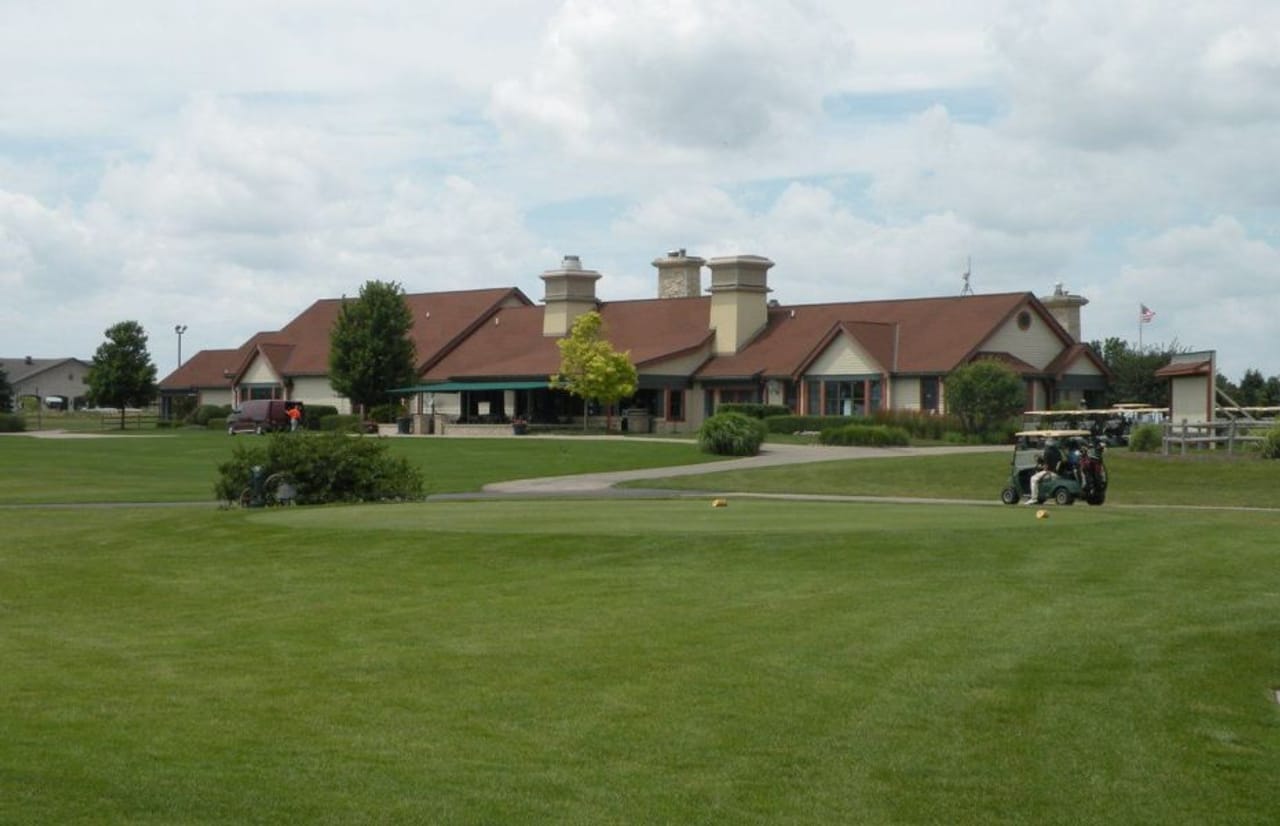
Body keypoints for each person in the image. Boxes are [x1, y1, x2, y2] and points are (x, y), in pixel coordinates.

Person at [1025, 437, 1064, 504]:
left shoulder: (1047, 452)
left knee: (1033, 478)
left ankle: (1034, 498)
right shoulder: (1057, 452)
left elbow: (1046, 467)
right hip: (1056, 472)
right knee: (1038, 477)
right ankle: (1039, 496)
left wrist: (1040, 467)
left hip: (1049, 472)